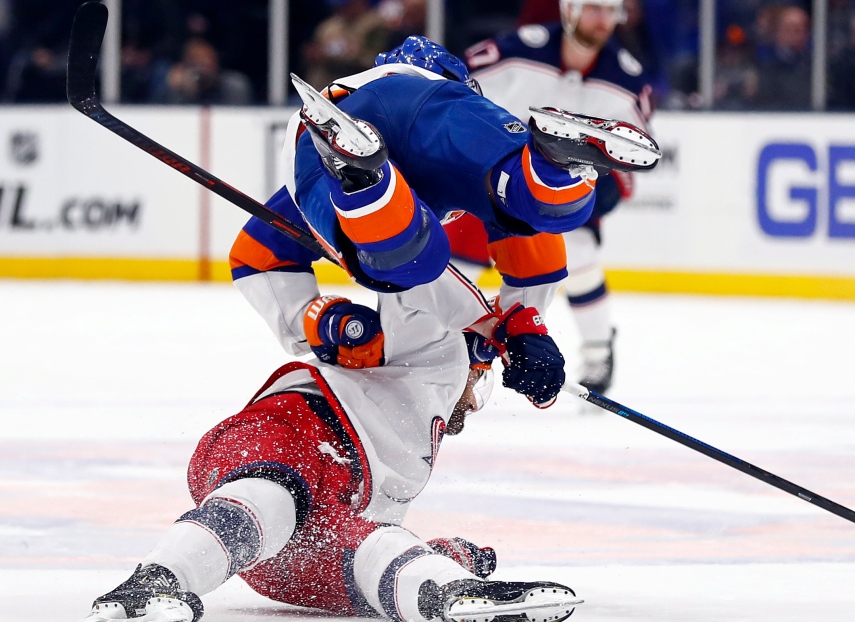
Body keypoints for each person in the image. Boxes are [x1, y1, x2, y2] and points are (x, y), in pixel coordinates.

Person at [80, 265, 583, 622]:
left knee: (370, 554)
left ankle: (454, 597)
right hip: (291, 432)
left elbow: (373, 532)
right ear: (469, 362)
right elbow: (416, 270)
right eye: (482, 382)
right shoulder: (435, 349)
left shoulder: (419, 450)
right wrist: (513, 330)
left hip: (290, 558)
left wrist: (449, 557)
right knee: (270, 496)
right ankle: (151, 584)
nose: (475, 404)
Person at [247, 35, 658, 407]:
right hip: (439, 106)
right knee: (518, 203)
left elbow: (254, 256)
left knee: (410, 256)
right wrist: (524, 327)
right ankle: (550, 168)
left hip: (347, 109)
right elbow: (521, 242)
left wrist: (521, 330)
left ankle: (365, 180)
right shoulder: (452, 95)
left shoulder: (380, 87)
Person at [458, 0, 655, 394]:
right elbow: (452, 91)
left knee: (577, 247)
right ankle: (439, 350)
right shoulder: (514, 50)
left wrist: (576, 200)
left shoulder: (627, 79)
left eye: (610, 11)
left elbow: (632, 164)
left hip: (561, 191)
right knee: (449, 265)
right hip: (489, 179)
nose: (603, 19)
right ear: (568, 9)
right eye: (594, 8)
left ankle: (599, 353)